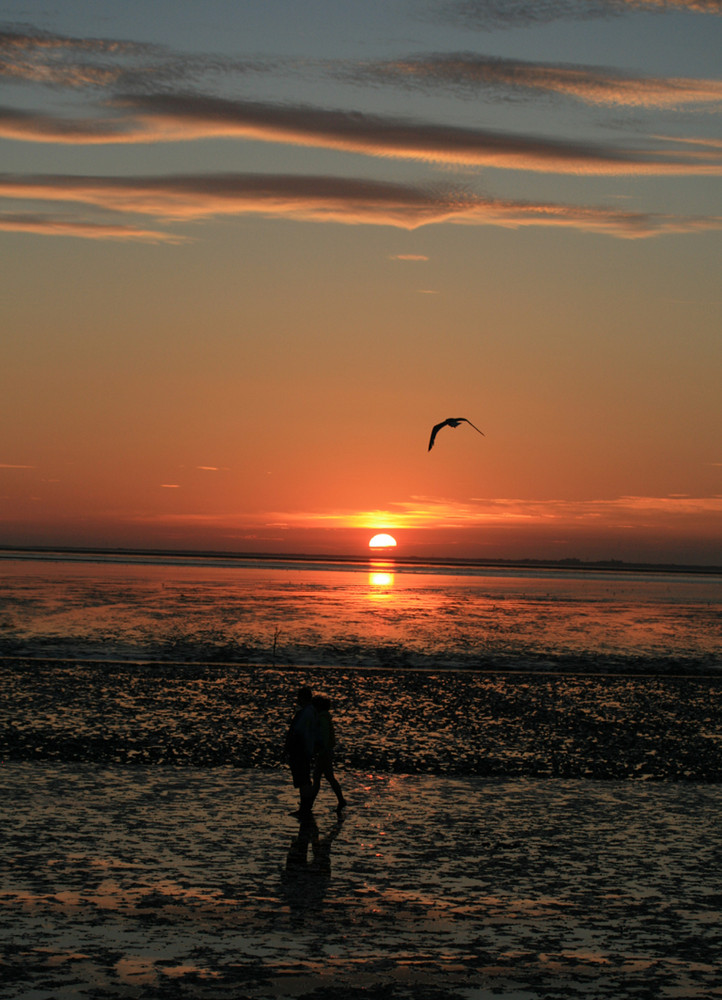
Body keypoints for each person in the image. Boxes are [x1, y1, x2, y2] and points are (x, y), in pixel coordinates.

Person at [284, 686, 317, 816]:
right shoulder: (313, 711)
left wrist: (288, 747)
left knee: (302, 779)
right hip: (307, 748)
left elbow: (297, 731)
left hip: (300, 749)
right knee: (305, 778)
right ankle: (305, 807)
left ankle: (304, 808)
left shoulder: (304, 713)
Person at [310, 695, 346, 812]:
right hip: (326, 751)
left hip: (324, 752)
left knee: (317, 777)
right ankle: (341, 800)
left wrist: (320, 750)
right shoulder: (324, 717)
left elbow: (324, 737)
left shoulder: (322, 719)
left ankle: (309, 804)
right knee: (328, 777)